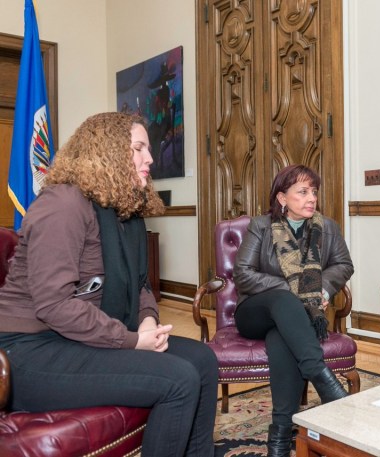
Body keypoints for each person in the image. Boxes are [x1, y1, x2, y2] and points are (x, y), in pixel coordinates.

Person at [0, 112, 218, 457]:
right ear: (107, 152)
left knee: (203, 360)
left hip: (80, 338)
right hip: (27, 349)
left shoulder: (124, 211)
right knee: (178, 379)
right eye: (138, 148)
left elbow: (141, 284)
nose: (149, 158)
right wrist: (131, 341)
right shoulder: (63, 205)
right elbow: (53, 305)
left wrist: (147, 320)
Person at [233, 164, 354, 457]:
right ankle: (322, 377)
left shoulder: (327, 227)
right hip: (255, 311)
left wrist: (322, 290)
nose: (311, 197)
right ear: (282, 198)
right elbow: (243, 273)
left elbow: (343, 265)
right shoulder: (261, 226)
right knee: (286, 300)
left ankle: (279, 436)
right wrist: (296, 290)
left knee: (282, 338)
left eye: (314, 191)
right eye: (302, 191)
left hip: (294, 319)